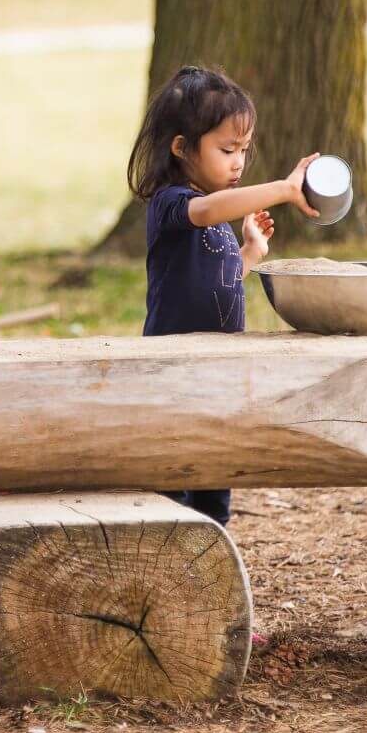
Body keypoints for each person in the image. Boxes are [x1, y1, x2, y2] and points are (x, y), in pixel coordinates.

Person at [126, 64, 323, 528]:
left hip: (218, 365)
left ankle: (211, 549)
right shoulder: (173, 204)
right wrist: (282, 190)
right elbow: (209, 210)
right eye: (227, 149)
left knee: (215, 473)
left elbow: (219, 279)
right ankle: (165, 554)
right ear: (181, 148)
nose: (238, 162)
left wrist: (249, 251)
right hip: (175, 366)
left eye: (244, 150)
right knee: (175, 474)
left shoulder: (208, 209)